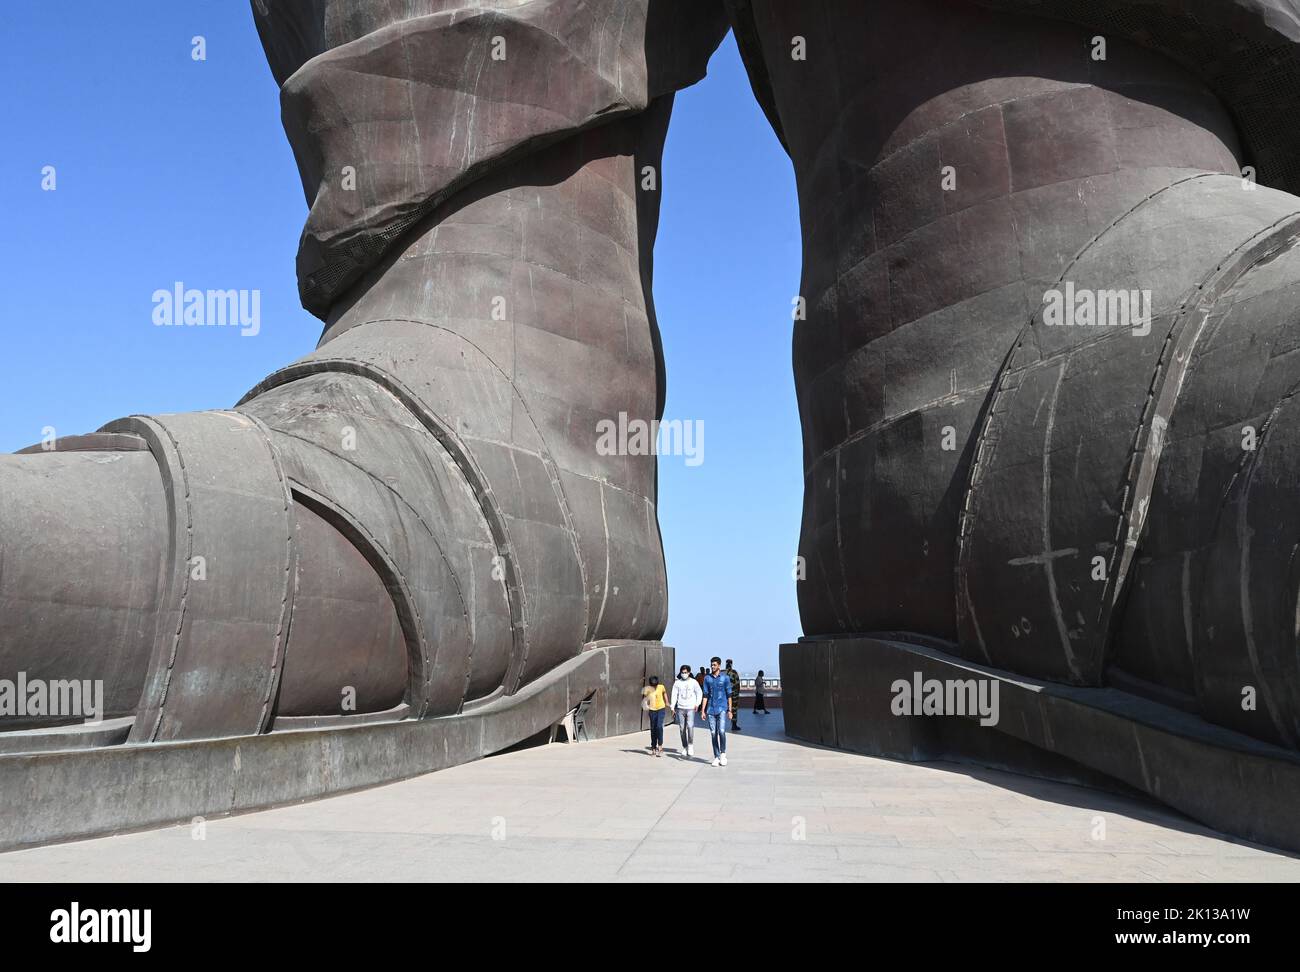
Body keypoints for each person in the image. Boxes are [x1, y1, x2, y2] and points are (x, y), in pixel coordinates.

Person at [701, 656, 731, 766]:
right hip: (710, 709)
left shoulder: (725, 678)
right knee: (713, 733)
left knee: (721, 731)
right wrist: (703, 710)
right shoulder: (707, 678)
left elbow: (729, 695)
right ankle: (716, 756)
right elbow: (705, 694)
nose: (712, 666)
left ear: (719, 665)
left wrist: (730, 710)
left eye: (714, 665)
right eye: (711, 665)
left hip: (722, 708)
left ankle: (723, 754)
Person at [669, 664, 703, 758]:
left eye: (685, 672)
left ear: (689, 672)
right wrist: (672, 707)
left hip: (690, 708)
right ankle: (685, 747)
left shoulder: (694, 682)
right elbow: (674, 695)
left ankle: (690, 745)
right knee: (681, 728)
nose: (684, 674)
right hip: (680, 708)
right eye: (682, 672)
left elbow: (699, 692)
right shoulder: (677, 683)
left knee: (690, 726)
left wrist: (697, 704)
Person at [641, 676, 668, 757]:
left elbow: (665, 693)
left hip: (661, 708)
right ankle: (653, 748)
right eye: (653, 686)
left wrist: (667, 702)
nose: (654, 687)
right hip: (652, 710)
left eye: (655, 686)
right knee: (653, 729)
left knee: (659, 726)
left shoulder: (661, 687)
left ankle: (660, 747)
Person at [724, 659, 742, 731]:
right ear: (731, 664)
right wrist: (737, 694)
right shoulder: (734, 672)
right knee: (733, 710)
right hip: (733, 695)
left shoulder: (722, 673)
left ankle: (718, 725)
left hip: (724, 695)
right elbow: (737, 684)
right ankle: (734, 725)